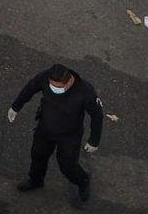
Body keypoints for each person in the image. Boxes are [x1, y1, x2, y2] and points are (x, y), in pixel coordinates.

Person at [8, 64, 103, 205]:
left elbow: (97, 115)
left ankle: (82, 181)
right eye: (51, 85)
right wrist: (16, 106)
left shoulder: (85, 91)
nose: (53, 89)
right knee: (38, 155)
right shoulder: (46, 77)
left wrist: (94, 140)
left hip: (69, 135)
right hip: (45, 128)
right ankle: (36, 180)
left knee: (67, 165)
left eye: (57, 87)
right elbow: (30, 88)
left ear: (69, 82)